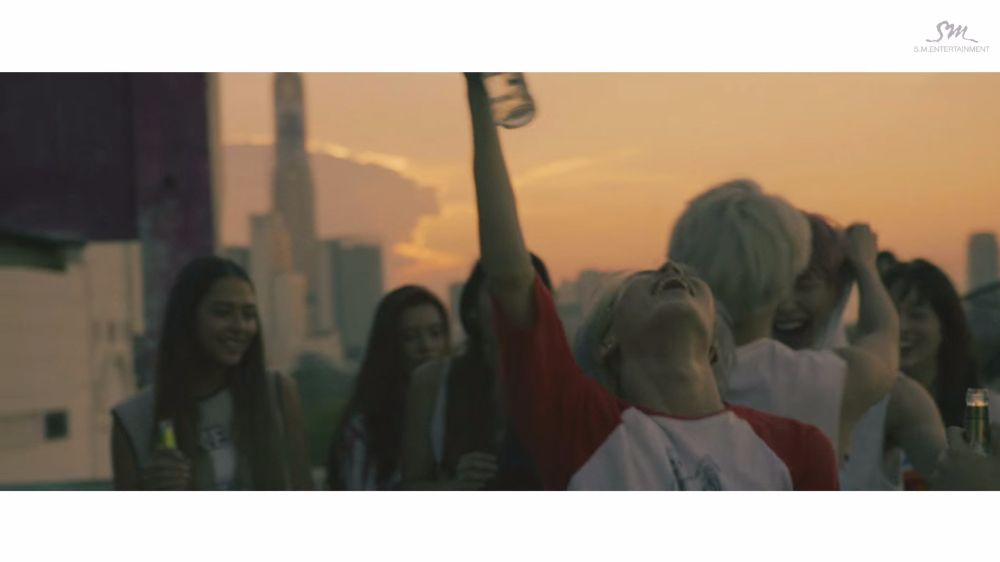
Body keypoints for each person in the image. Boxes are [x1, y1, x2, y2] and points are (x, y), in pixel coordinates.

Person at [460, 72, 838, 490]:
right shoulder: (581, 429)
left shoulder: (799, 450)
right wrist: (479, 92)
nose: (671, 271)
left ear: (714, 343)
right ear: (609, 343)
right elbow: (511, 278)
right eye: (645, 279)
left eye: (685, 276)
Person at [668, 180, 899, 459]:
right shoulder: (814, 382)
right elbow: (883, 335)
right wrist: (865, 266)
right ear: (790, 270)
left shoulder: (644, 370)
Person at [772, 214, 946, 490]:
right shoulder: (722, 381)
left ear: (839, 290)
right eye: (772, 285)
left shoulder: (896, 399)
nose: (785, 303)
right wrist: (865, 267)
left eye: (805, 285)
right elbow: (882, 332)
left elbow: (963, 480)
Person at [111, 256, 313, 490]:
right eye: (223, 312)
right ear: (187, 318)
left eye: (248, 315)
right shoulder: (135, 419)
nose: (239, 326)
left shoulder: (276, 394)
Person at [401, 258, 551, 491]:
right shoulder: (433, 382)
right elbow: (410, 486)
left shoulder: (567, 381)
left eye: (523, 291)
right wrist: (455, 487)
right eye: (499, 289)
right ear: (472, 307)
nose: (512, 303)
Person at [326, 285, 451, 490]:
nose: (426, 346)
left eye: (436, 334)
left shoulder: (459, 409)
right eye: (410, 337)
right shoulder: (365, 428)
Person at [882, 259, 980, 429]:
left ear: (946, 325)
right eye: (890, 315)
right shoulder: (859, 407)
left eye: (917, 315)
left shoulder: (981, 411)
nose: (902, 327)